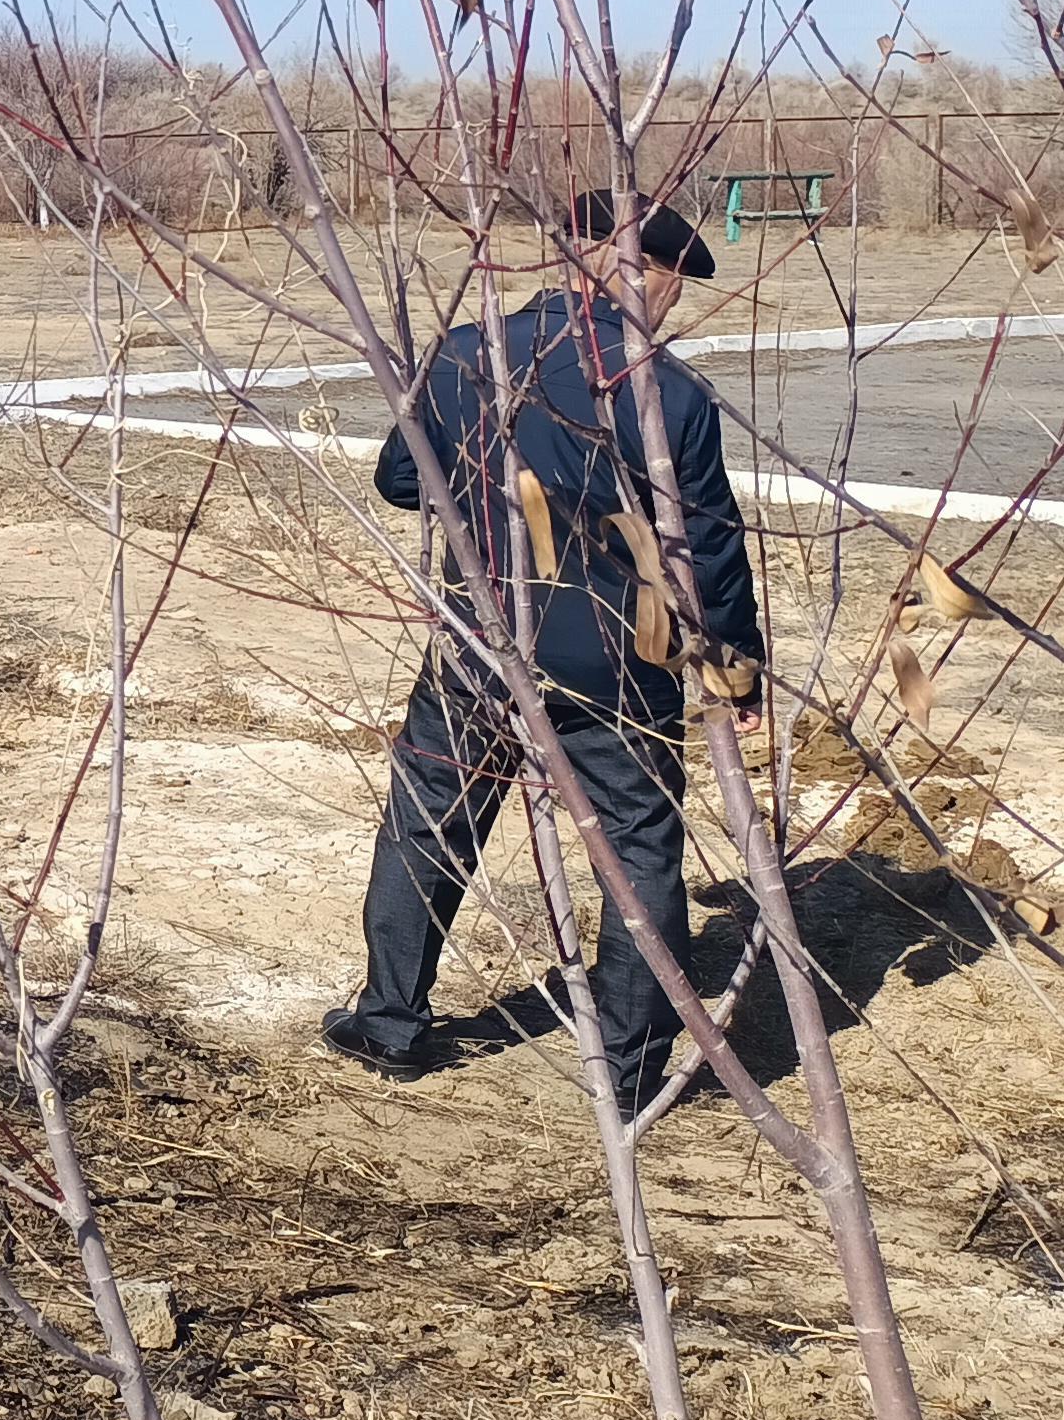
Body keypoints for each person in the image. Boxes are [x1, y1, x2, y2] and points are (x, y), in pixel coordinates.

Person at [323, 191, 765, 1113]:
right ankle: (632, 1075)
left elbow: (402, 480)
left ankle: (390, 1021)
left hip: (480, 643)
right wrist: (735, 664)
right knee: (638, 850)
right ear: (638, 272)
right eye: (672, 284)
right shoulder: (671, 394)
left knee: (429, 820)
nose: (671, 305)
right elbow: (710, 546)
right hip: (620, 662)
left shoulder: (462, 354)